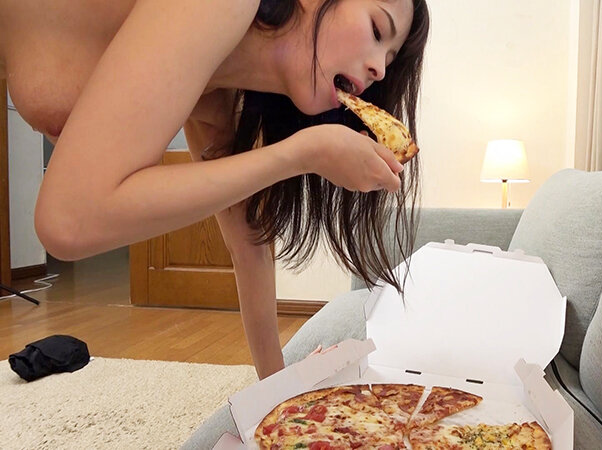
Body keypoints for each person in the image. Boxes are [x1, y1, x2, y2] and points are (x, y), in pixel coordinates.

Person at [0, 0, 430, 380]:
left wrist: (277, 391)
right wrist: (302, 153)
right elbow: (68, 221)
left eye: (390, 58)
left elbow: (249, 243)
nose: (380, 69)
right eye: (377, 29)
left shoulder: (216, 94)